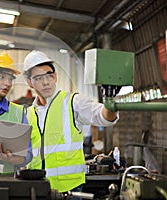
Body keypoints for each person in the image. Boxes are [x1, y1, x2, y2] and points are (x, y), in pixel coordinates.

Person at [23, 50, 119, 194]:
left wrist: (110, 97)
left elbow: (104, 117)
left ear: (55, 77)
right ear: (30, 82)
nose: (45, 82)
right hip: (37, 189)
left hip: (69, 190)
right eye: (38, 78)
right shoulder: (29, 114)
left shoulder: (73, 102)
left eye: (49, 75)